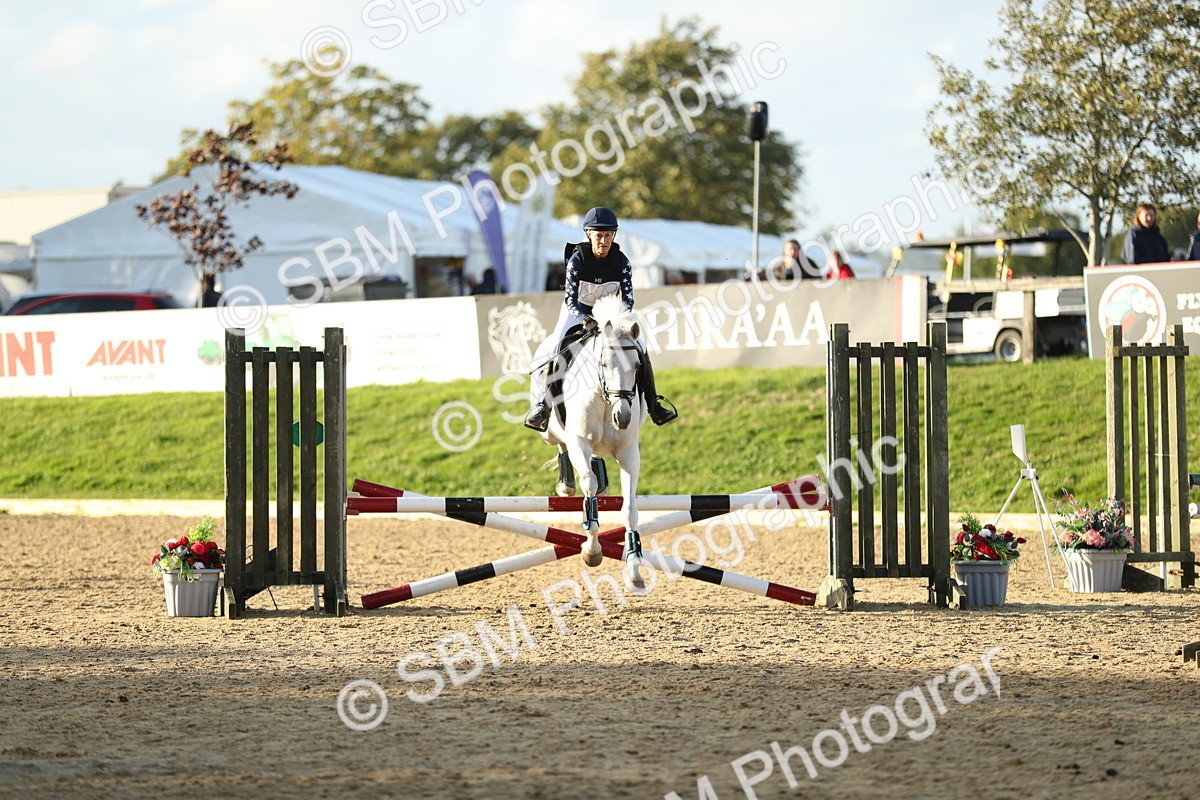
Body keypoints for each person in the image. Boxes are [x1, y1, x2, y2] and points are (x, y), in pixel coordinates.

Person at [524, 207, 678, 431]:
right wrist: (586, 320)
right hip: (577, 312)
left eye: (608, 235)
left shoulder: (622, 262)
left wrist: (616, 321)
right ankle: (543, 407)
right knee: (556, 346)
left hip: (610, 316)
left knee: (641, 347)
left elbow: (628, 301)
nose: (603, 241)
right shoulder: (577, 260)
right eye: (598, 235)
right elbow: (570, 300)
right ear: (589, 235)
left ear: (613, 236)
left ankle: (654, 404)